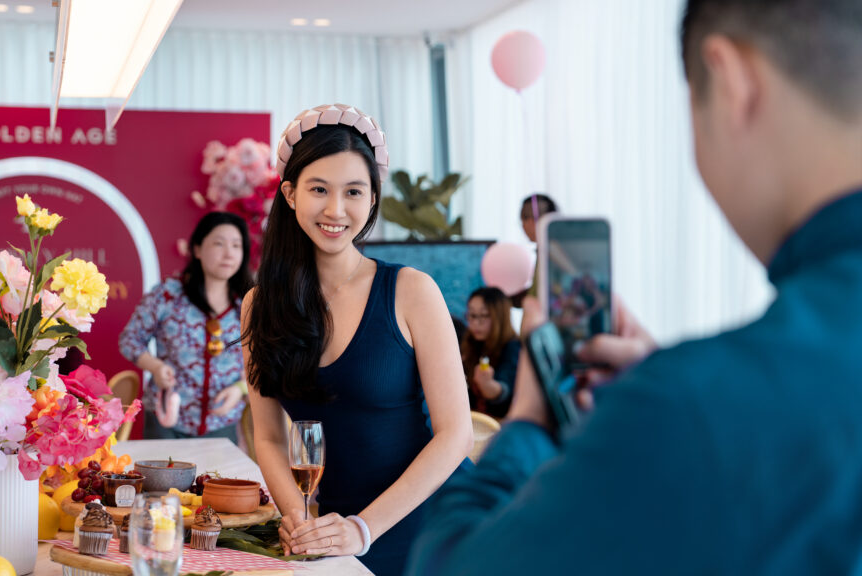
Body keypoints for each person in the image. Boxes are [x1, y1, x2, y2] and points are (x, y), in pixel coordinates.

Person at [407, 0, 862, 573]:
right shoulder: (702, 399)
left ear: (730, 81)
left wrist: (528, 422)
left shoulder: (695, 406)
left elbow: (450, 566)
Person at [241, 104, 473, 575]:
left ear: (372, 199)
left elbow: (456, 434)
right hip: (328, 528)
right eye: (319, 190)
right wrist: (300, 517)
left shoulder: (412, 291)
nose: (335, 210)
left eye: (353, 192)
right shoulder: (260, 303)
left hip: (422, 522)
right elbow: (266, 435)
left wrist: (363, 528)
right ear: (289, 194)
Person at [119, 212, 252, 441]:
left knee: (217, 478)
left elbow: (266, 362)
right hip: (166, 419)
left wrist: (241, 389)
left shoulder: (249, 303)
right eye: (219, 243)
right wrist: (156, 367)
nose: (229, 253)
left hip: (222, 422)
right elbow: (129, 340)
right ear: (198, 250)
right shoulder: (167, 295)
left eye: (236, 245)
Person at [461, 287, 520, 419]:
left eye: (484, 315)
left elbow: (505, 390)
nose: (476, 323)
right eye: (472, 315)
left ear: (499, 317)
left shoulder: (513, 347)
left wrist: (487, 385)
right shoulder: (470, 343)